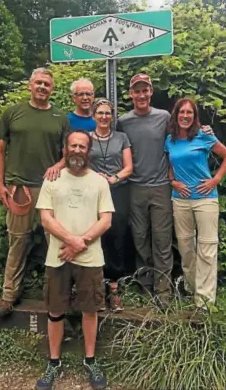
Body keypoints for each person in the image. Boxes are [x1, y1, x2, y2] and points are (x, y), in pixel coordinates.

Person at [117, 73, 213, 308]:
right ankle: (144, 286)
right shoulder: (123, 121)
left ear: (151, 92)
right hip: (135, 187)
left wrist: (206, 131)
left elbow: (185, 130)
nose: (141, 95)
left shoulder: (163, 117)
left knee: (161, 241)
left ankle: (164, 292)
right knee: (140, 239)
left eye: (145, 90)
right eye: (136, 91)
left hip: (161, 187)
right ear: (130, 94)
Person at [35, 130, 114, 390]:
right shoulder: (52, 180)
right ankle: (54, 362)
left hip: (90, 258)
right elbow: (46, 218)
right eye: (73, 145)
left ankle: (90, 360)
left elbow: (106, 219)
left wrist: (81, 242)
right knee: (55, 309)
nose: (77, 150)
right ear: (65, 150)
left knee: (89, 309)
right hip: (58, 257)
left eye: (82, 146)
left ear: (88, 150)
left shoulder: (99, 182)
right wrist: (71, 240)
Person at [0, 68, 69, 317]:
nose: (42, 87)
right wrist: (0, 184)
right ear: (30, 85)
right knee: (18, 241)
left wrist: (57, 166)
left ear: (52, 88)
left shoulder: (60, 117)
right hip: (19, 188)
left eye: (47, 84)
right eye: (38, 82)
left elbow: (68, 154)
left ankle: (56, 297)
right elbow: (0, 151)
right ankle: (9, 296)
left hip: (51, 190)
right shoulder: (12, 113)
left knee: (55, 243)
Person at [164, 98, 226, 312]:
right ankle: (192, 289)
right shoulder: (170, 140)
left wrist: (215, 180)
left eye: (190, 113)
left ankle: (204, 302)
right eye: (182, 112)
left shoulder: (204, 136)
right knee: (186, 248)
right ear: (176, 115)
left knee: (207, 248)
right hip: (180, 200)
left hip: (205, 199)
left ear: (195, 116)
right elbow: (169, 166)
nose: (185, 116)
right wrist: (173, 181)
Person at [89, 98, 133, 312]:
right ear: (93, 116)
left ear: (112, 116)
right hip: (94, 193)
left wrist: (114, 178)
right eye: (100, 113)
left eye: (108, 113)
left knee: (117, 235)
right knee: (96, 235)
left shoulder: (122, 137)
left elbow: (129, 167)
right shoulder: (87, 139)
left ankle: (114, 287)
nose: (104, 117)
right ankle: (97, 286)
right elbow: (81, 165)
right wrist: (94, 176)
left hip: (118, 191)